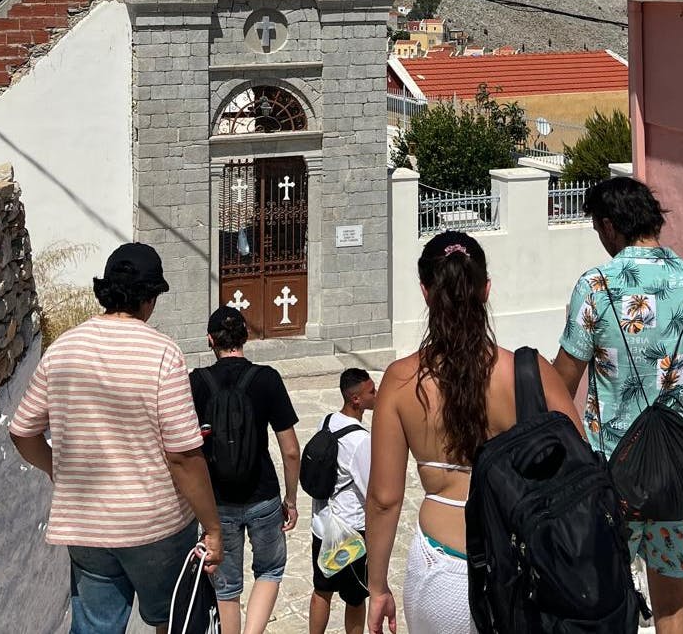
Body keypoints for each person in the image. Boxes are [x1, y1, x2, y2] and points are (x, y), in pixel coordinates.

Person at [552, 177, 683, 634]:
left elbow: (561, 385)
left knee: (607, 607)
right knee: (676, 609)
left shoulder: (597, 287)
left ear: (608, 226)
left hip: (612, 478)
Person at [365, 231, 583, 634]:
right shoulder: (531, 374)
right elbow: (580, 469)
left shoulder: (400, 381)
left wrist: (377, 587)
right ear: (486, 290)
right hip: (526, 569)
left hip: (441, 571)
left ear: (425, 292)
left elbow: (383, 499)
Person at [9, 243, 223, 634]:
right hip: (156, 524)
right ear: (150, 298)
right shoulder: (162, 353)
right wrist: (213, 527)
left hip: (85, 525)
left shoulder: (63, 349)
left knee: (95, 627)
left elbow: (23, 431)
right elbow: (183, 456)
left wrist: (60, 471)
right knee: (176, 619)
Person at [190, 306, 302, 634]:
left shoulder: (196, 382)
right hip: (264, 498)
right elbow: (291, 450)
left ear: (210, 340)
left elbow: (185, 449)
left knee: (226, 588)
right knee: (269, 570)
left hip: (217, 504)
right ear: (246, 336)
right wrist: (291, 499)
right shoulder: (266, 379)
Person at [309, 368, 378, 634]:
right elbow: (369, 489)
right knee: (356, 597)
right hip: (351, 532)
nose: (377, 394)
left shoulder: (326, 422)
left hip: (322, 525)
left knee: (322, 590)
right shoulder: (361, 440)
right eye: (372, 391)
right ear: (356, 399)